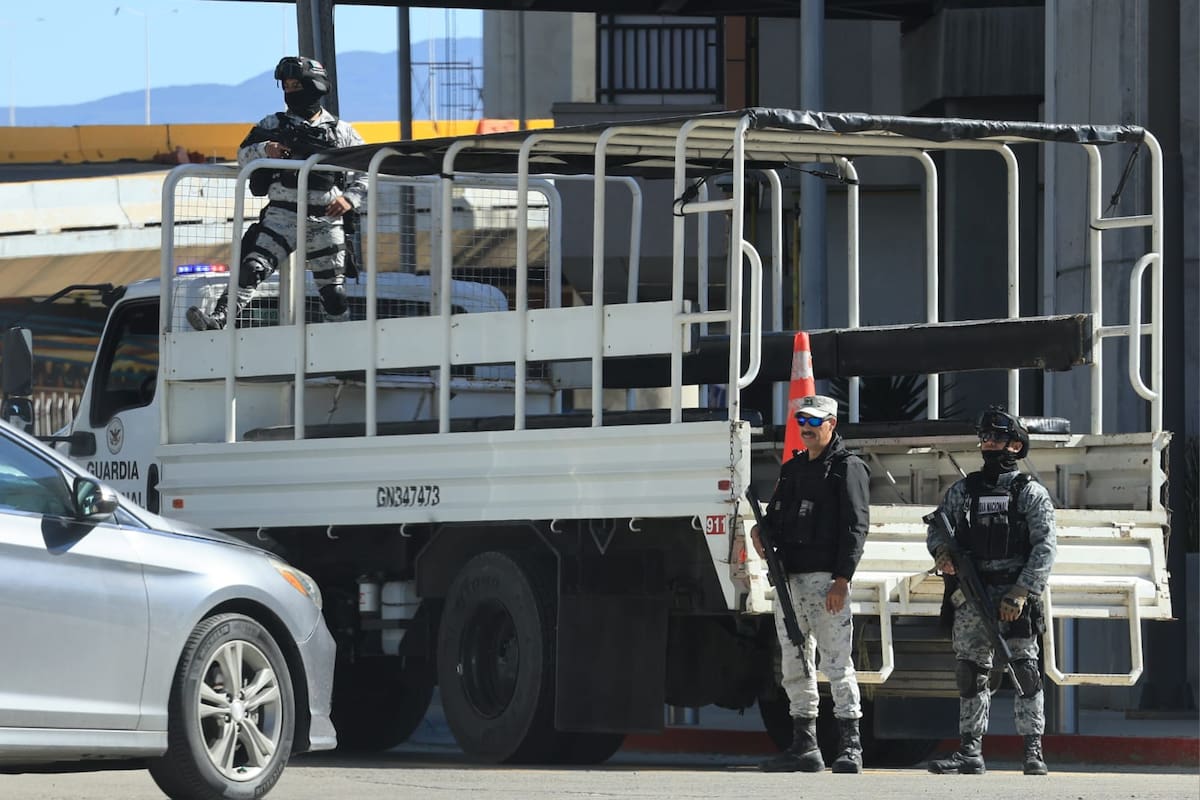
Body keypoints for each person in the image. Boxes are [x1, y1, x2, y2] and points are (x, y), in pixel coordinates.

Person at [187, 56, 367, 331]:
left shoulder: (341, 132)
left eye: (296, 85)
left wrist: (349, 199)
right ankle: (219, 319)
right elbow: (242, 156)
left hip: (326, 221)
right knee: (252, 268)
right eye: (286, 86)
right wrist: (265, 150)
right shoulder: (273, 124)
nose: (290, 92)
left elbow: (366, 168)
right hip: (283, 214)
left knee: (334, 293)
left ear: (314, 86)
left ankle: (341, 345)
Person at [925, 407, 1057, 776]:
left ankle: (1033, 751)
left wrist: (1021, 592)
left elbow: (1045, 547)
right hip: (972, 592)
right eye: (984, 438)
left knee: (1025, 672)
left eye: (996, 438)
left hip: (1012, 597)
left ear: (1015, 446)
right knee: (970, 673)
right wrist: (943, 554)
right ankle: (970, 751)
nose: (987, 444)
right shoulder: (965, 490)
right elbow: (938, 528)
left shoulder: (1029, 493)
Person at [751, 394, 870, 774]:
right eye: (802, 420)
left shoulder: (847, 468)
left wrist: (842, 579)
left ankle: (851, 746)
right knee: (795, 664)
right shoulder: (794, 469)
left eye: (815, 421)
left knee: (837, 663)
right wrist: (760, 530)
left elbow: (855, 527)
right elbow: (775, 516)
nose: (807, 427)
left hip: (826, 583)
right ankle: (805, 746)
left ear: (832, 424)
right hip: (789, 583)